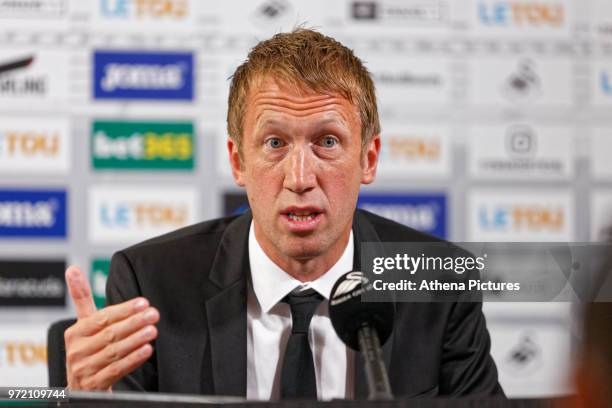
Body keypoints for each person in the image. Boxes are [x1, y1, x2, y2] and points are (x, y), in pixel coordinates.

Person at [63, 28, 503, 399]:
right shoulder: (152, 285)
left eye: (327, 142)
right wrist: (88, 402)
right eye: (274, 143)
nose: (299, 177)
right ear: (238, 162)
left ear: (368, 159)